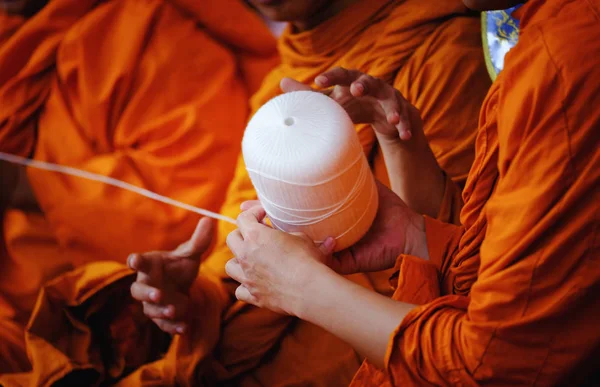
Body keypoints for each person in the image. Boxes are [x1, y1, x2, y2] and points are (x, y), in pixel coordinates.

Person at [224, 0, 600, 384]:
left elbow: (497, 364)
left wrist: (303, 288)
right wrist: (418, 237)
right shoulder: (537, 42)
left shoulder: (564, 59)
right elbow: (503, 272)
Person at [128, 0, 492, 385]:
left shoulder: (441, 55)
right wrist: (198, 297)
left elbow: (474, 268)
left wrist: (400, 145)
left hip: (386, 353)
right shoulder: (279, 92)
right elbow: (253, 243)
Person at [0, 0, 277, 384]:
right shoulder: (17, 39)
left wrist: (17, 184)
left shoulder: (147, 33)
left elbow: (183, 211)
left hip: (81, 330)